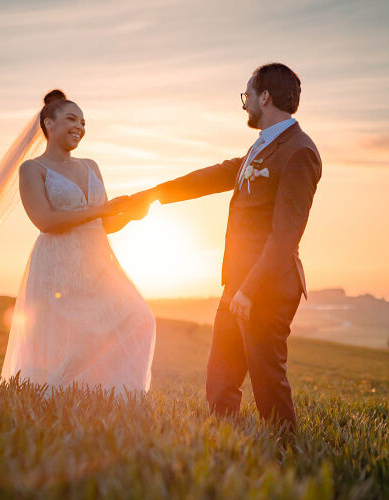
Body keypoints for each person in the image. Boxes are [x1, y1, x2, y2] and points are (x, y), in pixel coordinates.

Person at [128, 63, 322, 429]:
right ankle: (224, 443)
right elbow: (215, 175)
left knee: (267, 380)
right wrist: (155, 195)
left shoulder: (299, 151)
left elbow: (285, 236)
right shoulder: (262, 146)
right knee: (220, 377)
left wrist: (249, 290)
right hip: (236, 284)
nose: (244, 103)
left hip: (266, 287)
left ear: (264, 97)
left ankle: (286, 454)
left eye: (246, 95)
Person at [0, 90, 156, 394]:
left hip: (98, 262)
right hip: (56, 262)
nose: (80, 127)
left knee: (139, 316)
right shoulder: (32, 169)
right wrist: (102, 210)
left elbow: (105, 223)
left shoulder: (91, 166)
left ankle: (114, 395)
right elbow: (44, 220)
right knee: (63, 337)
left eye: (84, 123)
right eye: (71, 118)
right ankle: (55, 397)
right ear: (49, 123)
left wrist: (131, 216)